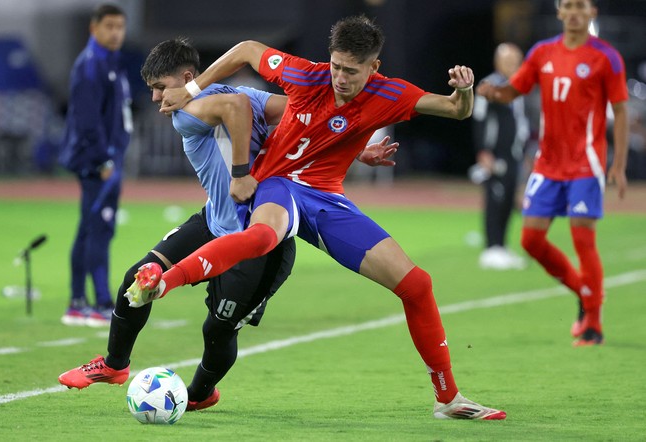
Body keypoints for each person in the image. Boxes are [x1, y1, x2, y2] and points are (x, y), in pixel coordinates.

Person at [129, 15, 506, 420]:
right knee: (261, 237)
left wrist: (464, 92)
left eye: (351, 70)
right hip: (278, 184)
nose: (340, 77)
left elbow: (455, 110)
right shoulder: (307, 75)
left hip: (326, 198)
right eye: (336, 65)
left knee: (417, 285)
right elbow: (245, 49)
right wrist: (191, 88)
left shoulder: (390, 94)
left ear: (373, 67)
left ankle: (448, 398)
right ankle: (162, 281)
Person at [58, 36, 396, 410]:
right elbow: (306, 119)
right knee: (137, 277)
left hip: (261, 242)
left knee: (217, 329)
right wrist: (357, 149)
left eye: (160, 88)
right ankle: (113, 365)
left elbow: (241, 109)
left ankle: (200, 394)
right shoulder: (239, 94)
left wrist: (239, 173)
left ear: (188, 78)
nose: (156, 99)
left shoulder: (194, 108)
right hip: (214, 222)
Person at [476, 0, 629, 346]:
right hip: (548, 163)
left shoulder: (606, 57)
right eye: (568, 6)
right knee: (530, 240)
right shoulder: (542, 53)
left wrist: (617, 164)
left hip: (585, 163)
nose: (574, 12)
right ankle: (586, 294)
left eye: (581, 6)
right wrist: (492, 92)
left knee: (582, 238)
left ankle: (593, 323)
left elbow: (619, 111)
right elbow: (513, 89)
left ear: (593, 13)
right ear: (559, 12)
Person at [58, 4, 133, 327]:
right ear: (95, 28)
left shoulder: (109, 62)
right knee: (97, 228)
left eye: (120, 26)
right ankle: (98, 302)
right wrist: (104, 159)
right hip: (97, 161)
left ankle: (80, 301)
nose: (116, 32)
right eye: (110, 26)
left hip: (106, 159)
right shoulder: (91, 65)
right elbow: (87, 119)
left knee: (93, 227)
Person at [471, 43, 529, 270]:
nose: (513, 66)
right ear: (498, 62)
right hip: (495, 154)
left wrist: (523, 152)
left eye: (516, 61)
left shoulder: (518, 87)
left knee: (509, 201)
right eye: (508, 61)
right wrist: (483, 151)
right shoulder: (489, 86)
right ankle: (491, 248)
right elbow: (480, 119)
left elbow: (520, 124)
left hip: (514, 154)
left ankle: (502, 246)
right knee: (495, 199)